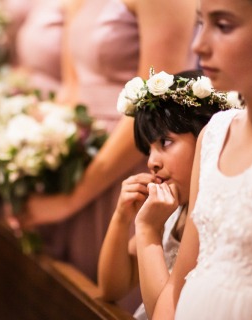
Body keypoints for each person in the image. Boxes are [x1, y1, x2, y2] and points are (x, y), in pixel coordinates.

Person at [19, 0, 198, 290]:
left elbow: (158, 101)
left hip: (126, 160)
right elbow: (72, 89)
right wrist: (39, 156)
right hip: (80, 157)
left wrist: (69, 200)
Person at [141, 0, 252, 318]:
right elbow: (180, 280)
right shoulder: (215, 134)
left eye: (223, 26)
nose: (199, 45)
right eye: (201, 23)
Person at [98, 69, 240, 319]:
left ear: (207, 137)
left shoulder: (212, 216)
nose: (152, 161)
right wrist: (122, 218)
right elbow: (111, 289)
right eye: (148, 149)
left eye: (165, 142)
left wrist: (148, 231)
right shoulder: (175, 210)